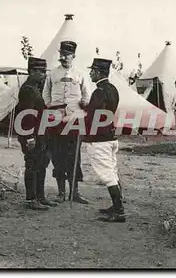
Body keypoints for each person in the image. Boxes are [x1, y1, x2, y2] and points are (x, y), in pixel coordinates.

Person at [42, 41, 91, 204]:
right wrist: (51, 108)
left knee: (74, 156)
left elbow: (87, 96)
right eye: (61, 54)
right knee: (57, 155)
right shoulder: (52, 74)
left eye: (67, 55)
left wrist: (82, 106)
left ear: (73, 56)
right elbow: (45, 94)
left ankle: (74, 193)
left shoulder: (80, 74)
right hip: (56, 120)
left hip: (74, 120)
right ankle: (61, 192)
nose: (63, 58)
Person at [82, 58, 125, 222]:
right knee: (112, 172)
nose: (90, 73)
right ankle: (116, 206)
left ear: (98, 72)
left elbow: (94, 117)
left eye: (92, 70)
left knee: (107, 176)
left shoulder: (98, 92)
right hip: (111, 136)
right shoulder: (113, 89)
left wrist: (84, 131)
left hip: (100, 139)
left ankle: (119, 211)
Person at [14, 57, 58, 210]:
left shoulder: (35, 88)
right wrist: (29, 137)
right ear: (32, 71)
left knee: (41, 164)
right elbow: (27, 116)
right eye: (41, 72)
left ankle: (40, 196)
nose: (44, 75)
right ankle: (31, 199)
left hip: (40, 133)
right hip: (31, 134)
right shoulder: (27, 90)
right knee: (32, 164)